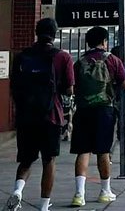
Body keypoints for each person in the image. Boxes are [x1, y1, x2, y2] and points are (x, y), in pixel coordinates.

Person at [6, 18, 74, 211]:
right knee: (49, 160)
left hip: (26, 117)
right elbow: (69, 89)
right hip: (51, 116)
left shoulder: (22, 56)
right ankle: (44, 205)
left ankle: (18, 191)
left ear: (36, 32)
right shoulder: (62, 57)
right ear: (55, 34)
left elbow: (14, 86)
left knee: (26, 159)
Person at [70, 26, 125, 206]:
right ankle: (105, 191)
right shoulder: (113, 60)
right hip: (104, 110)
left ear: (88, 42)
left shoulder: (79, 62)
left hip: (83, 110)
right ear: (105, 41)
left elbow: (72, 86)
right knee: (103, 151)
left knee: (83, 151)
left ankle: (79, 195)